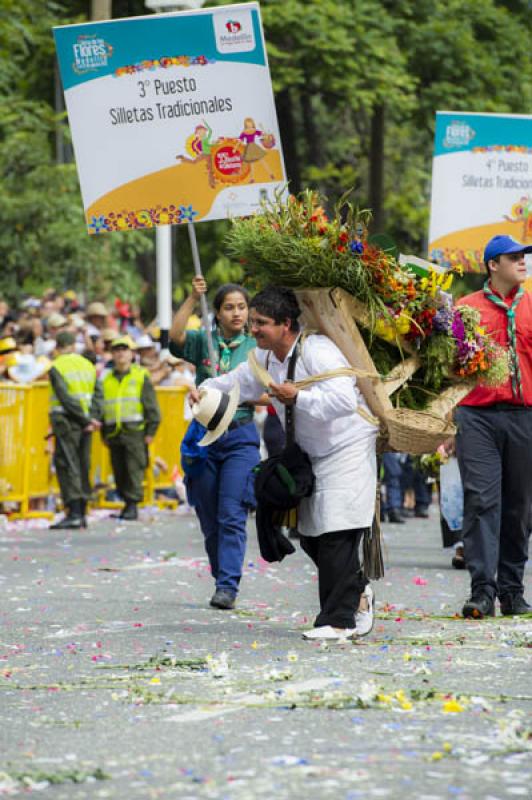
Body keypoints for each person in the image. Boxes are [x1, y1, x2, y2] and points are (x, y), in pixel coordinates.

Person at [193, 286, 378, 640]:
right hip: (309, 454)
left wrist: (299, 398)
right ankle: (358, 591)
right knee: (310, 535)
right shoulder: (264, 359)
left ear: (286, 324)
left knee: (336, 531)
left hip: (347, 447)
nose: (253, 329)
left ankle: (338, 621)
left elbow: (342, 400)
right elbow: (235, 382)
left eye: (261, 323)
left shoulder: (318, 350)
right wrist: (204, 388)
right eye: (254, 322)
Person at [169, 277, 260, 610]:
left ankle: (228, 585)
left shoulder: (256, 347)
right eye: (229, 308)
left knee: (231, 514)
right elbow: (174, 337)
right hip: (204, 438)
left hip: (240, 436)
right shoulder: (202, 341)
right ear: (218, 313)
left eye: (241, 307)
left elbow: (270, 389)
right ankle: (220, 573)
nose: (236, 313)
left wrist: (244, 397)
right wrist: (193, 297)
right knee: (208, 516)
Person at [455, 234, 532, 618]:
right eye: (513, 257)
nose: (522, 261)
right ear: (492, 265)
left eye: (524, 256)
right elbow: (448, 369)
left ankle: (512, 591)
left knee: (520, 508)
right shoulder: (465, 310)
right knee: (482, 501)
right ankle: (482, 591)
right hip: (477, 416)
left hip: (525, 416)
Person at [101, 336, 161, 521]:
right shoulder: (106, 378)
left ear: (132, 354)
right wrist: (103, 432)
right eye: (116, 350)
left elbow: (151, 406)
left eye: (124, 350)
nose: (120, 353)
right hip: (113, 431)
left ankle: (132, 504)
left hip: (135, 430)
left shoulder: (141, 375)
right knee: (119, 470)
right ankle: (126, 502)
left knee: (134, 468)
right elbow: (103, 406)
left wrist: (150, 432)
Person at [48, 331, 102, 529]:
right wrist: (92, 418)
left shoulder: (57, 366)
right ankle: (82, 511)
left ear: (58, 346)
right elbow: (98, 394)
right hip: (86, 424)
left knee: (67, 464)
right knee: (82, 464)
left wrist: (84, 419)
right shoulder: (87, 365)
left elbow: (65, 398)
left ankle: (74, 512)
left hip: (67, 421)